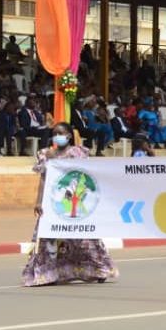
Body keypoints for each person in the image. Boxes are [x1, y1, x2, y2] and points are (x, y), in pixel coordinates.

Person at [22, 122, 119, 286]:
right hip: (53, 203)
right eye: (54, 133)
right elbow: (43, 179)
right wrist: (39, 202)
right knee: (48, 238)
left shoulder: (77, 153)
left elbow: (86, 174)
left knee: (83, 238)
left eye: (60, 133)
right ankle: (47, 273)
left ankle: (98, 269)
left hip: (75, 201)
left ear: (68, 135)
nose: (57, 136)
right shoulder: (46, 155)